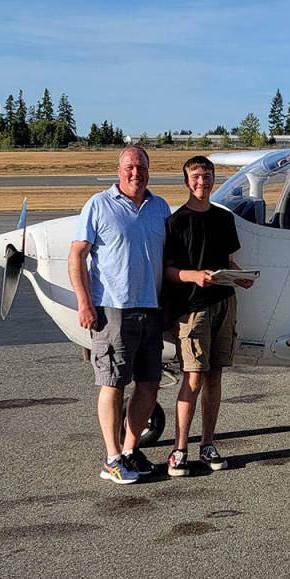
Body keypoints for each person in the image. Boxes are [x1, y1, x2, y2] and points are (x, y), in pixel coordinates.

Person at [69, 145, 170, 485]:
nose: (135, 173)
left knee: (149, 383)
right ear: (119, 170)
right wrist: (85, 303)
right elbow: (77, 256)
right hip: (113, 309)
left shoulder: (160, 207)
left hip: (151, 308)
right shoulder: (98, 205)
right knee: (112, 383)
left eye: (141, 166)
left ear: (148, 170)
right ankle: (111, 458)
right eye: (129, 167)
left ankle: (129, 451)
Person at [163, 155, 253, 476]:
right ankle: (179, 449)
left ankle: (208, 443)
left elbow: (227, 261)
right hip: (193, 308)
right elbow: (168, 271)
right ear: (187, 181)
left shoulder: (223, 219)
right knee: (194, 376)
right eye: (197, 176)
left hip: (224, 303)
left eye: (208, 176)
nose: (203, 182)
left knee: (215, 375)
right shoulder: (176, 222)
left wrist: (241, 277)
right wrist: (193, 276)